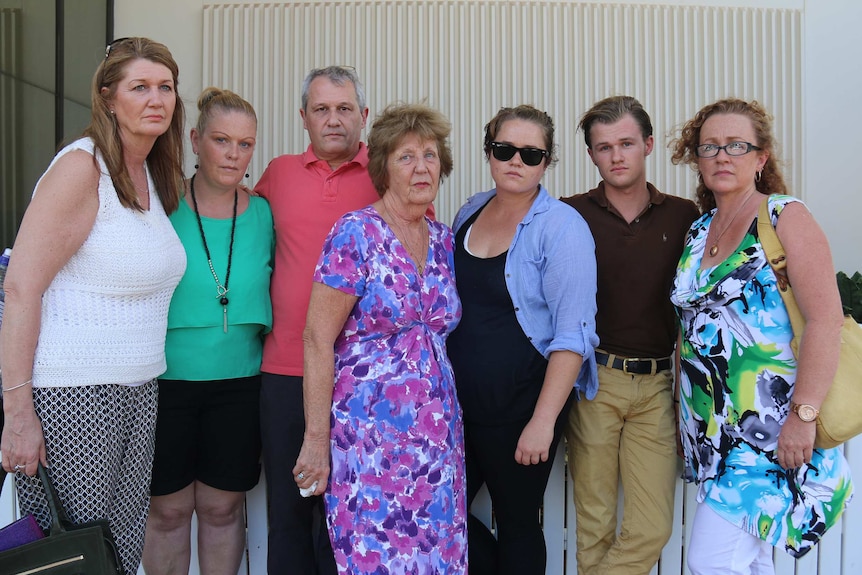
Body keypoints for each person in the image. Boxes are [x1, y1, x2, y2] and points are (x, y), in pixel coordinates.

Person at [0, 37, 186, 574]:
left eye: (166, 88)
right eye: (140, 87)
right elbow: (20, 288)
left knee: (117, 555)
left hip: (138, 389)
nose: (156, 99)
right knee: (71, 558)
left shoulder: (150, 172)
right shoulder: (83, 168)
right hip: (73, 399)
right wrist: (17, 415)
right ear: (107, 98)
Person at [669, 98, 854, 574]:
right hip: (715, 436)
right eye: (709, 147)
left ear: (761, 157)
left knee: (712, 562)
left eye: (736, 145)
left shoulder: (783, 217)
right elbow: (688, 333)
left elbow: (825, 320)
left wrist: (804, 416)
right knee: (748, 563)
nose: (722, 156)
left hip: (771, 432)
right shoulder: (697, 232)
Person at [295, 102, 466, 573]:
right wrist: (316, 439)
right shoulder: (356, 233)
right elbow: (316, 338)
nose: (422, 166)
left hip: (436, 438)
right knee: (373, 555)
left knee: (434, 556)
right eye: (406, 156)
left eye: (430, 155)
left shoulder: (445, 239)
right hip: (369, 438)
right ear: (383, 168)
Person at [447, 105, 598, 575]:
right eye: (505, 149)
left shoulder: (562, 228)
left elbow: (574, 334)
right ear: (489, 151)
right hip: (456, 407)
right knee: (438, 513)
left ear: (547, 162)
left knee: (516, 524)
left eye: (531, 154)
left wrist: (543, 421)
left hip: (520, 410)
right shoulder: (469, 211)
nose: (516, 161)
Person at [561, 96, 700, 575]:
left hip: (658, 385)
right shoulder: (568, 214)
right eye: (604, 147)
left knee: (651, 527)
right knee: (594, 521)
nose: (616, 155)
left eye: (625, 143)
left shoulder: (686, 218)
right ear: (592, 156)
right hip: (594, 380)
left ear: (648, 145)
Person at [142, 87, 273, 575]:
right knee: (168, 512)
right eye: (222, 140)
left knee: (222, 509)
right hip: (165, 381)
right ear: (196, 140)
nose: (234, 154)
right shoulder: (158, 204)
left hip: (240, 382)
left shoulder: (264, 212)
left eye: (245, 144)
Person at [254, 65, 378, 574]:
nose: (333, 120)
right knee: (287, 514)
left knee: (344, 519)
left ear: (363, 117)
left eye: (344, 109)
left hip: (359, 378)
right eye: (321, 109)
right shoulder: (277, 175)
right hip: (284, 371)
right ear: (303, 117)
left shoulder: (389, 175)